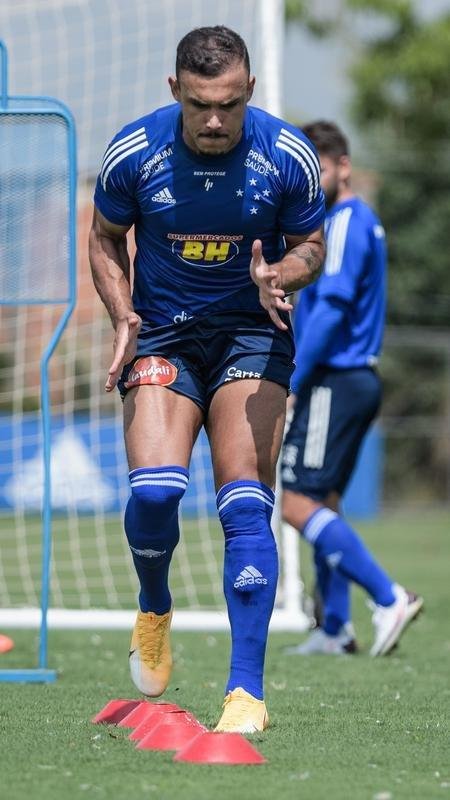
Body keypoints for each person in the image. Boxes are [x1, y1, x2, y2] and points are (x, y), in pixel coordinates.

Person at [88, 26, 326, 732]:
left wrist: (280, 274)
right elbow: (103, 236)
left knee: (245, 502)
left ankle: (245, 692)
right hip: (163, 330)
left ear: (249, 90)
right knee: (157, 492)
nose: (215, 120)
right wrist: (122, 312)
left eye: (227, 104)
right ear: (175, 93)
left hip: (252, 333)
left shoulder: (288, 157)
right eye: (199, 106)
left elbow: (312, 244)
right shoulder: (135, 152)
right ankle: (154, 605)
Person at [281, 120, 423, 656]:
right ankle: (335, 627)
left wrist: (293, 378)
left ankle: (389, 597)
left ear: (342, 167)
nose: (311, 180)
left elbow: (333, 308)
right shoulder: (351, 222)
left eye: (318, 167)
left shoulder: (342, 223)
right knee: (325, 504)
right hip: (354, 378)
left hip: (334, 379)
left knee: (296, 503)